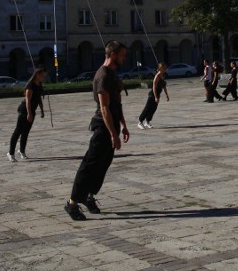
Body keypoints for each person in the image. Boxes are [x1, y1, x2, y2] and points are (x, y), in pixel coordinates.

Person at [65, 41, 130, 221]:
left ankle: (88, 196)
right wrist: (112, 133)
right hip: (103, 127)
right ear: (113, 54)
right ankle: (71, 203)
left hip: (112, 125)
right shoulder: (103, 76)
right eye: (122, 54)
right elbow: (104, 108)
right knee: (89, 165)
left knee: (102, 165)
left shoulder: (112, 74)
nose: (125, 58)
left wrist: (123, 125)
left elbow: (117, 103)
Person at [7, 66, 46, 161]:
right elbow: (28, 100)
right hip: (24, 111)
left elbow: (38, 98)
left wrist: (42, 110)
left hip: (32, 110)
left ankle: (22, 151)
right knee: (18, 131)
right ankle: (11, 153)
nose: (44, 77)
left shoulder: (39, 85)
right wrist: (29, 113)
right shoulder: (30, 86)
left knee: (26, 132)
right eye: (43, 75)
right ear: (37, 75)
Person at [137, 63, 170, 129]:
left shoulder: (162, 76)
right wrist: (155, 97)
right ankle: (140, 122)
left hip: (158, 94)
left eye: (165, 68)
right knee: (147, 108)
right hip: (152, 95)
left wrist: (167, 95)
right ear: (160, 68)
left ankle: (147, 122)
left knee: (153, 109)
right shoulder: (157, 76)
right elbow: (154, 87)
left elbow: (164, 86)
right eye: (164, 68)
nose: (165, 69)